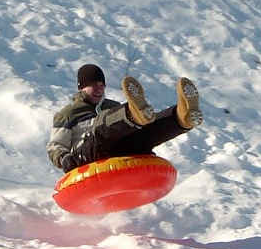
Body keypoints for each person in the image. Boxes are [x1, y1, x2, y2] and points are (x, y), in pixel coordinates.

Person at [47, 64, 203, 173]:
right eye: (93, 85)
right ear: (81, 87)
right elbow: (55, 146)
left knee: (143, 132)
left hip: (117, 153)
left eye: (102, 85)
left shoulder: (112, 105)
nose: (99, 89)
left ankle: (181, 117)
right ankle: (132, 114)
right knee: (101, 128)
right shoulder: (68, 113)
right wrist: (64, 158)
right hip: (85, 159)